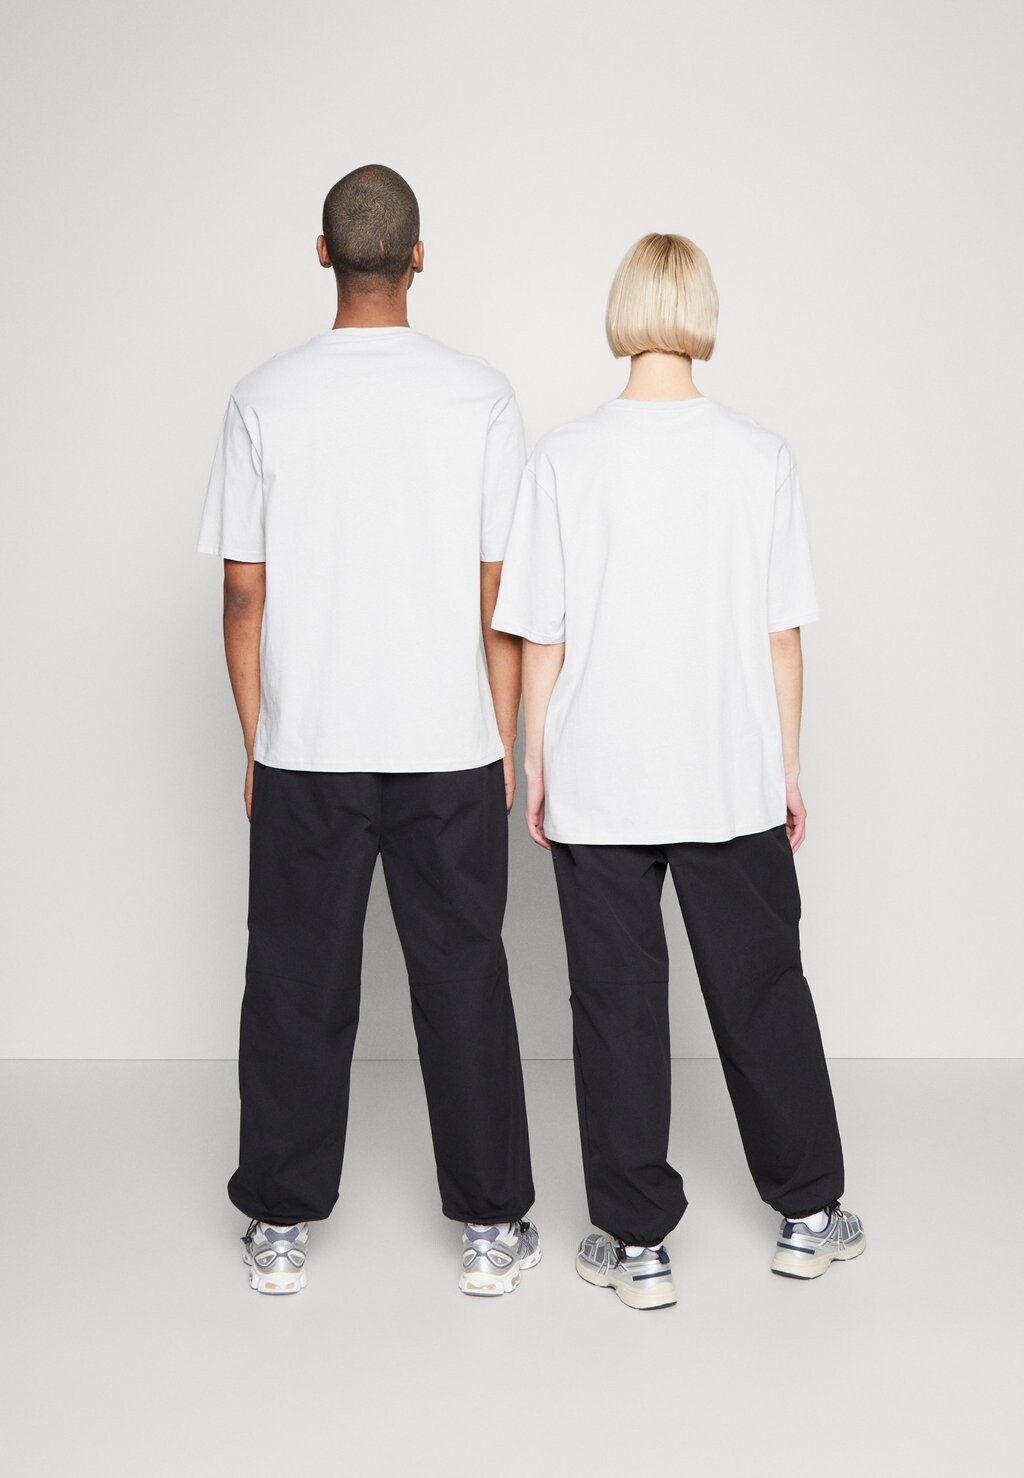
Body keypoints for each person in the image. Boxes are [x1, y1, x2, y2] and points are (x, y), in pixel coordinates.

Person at [492, 232, 865, 1310]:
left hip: (600, 777)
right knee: (762, 994)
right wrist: (786, 764)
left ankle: (636, 1244)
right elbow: (781, 634)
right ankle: (808, 1216)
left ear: (621, 310)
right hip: (728, 772)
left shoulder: (563, 459)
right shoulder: (759, 455)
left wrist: (535, 758)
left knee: (615, 1008)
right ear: (702, 311)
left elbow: (540, 633)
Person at [197, 164, 539, 1297]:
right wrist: (501, 737)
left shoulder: (264, 396)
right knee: (464, 978)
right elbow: (500, 589)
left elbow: (243, 591)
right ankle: (491, 1227)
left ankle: (278, 1224)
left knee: (295, 984)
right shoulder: (481, 396)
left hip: (308, 746)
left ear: (323, 254)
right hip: (449, 744)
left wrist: (258, 736)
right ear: (418, 257)